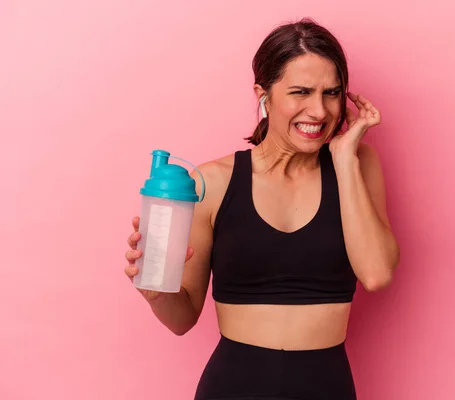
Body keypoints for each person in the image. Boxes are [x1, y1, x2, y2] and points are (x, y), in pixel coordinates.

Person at [124, 18, 399, 400]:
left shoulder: (356, 164)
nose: (318, 111)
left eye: (331, 93)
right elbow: (182, 319)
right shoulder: (213, 181)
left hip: (327, 387)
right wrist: (156, 292)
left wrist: (344, 157)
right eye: (300, 92)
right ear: (263, 95)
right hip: (233, 387)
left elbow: (376, 274)